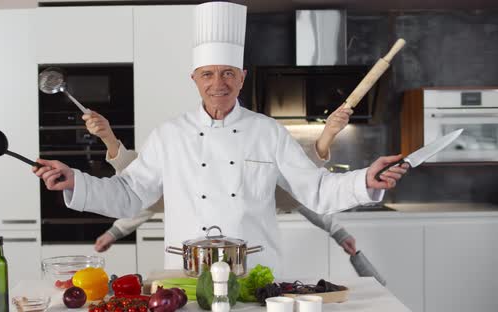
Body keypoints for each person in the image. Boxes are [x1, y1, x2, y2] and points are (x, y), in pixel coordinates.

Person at [33, 1, 408, 276]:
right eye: (208, 74)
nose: (218, 84)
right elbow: (130, 196)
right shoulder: (169, 134)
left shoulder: (267, 131)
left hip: (258, 273)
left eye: (228, 73)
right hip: (187, 275)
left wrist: (365, 180)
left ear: (242, 77)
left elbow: (316, 191)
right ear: (194, 79)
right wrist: (76, 180)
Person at [86, 104, 358, 256]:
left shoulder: (264, 153)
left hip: (252, 261)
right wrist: (114, 232)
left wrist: (339, 232)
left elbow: (310, 193)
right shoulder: (176, 150)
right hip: (191, 266)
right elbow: (141, 196)